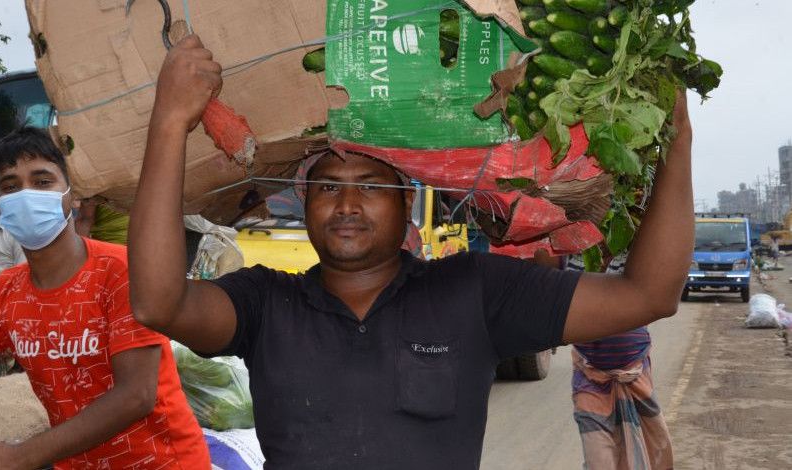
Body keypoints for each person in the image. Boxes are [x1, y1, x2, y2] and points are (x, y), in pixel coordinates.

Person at [128, 35, 693, 469]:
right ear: (304, 206)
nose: (347, 203)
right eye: (327, 188)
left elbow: (649, 294)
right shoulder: (265, 303)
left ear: (407, 205)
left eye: (371, 186)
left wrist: (679, 141)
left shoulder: (474, 291)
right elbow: (159, 304)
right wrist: (172, 119)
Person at [0, 128, 210, 469]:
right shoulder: (5, 291)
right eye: (10, 186)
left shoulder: (121, 270)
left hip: (164, 462)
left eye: (42, 180)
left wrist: (22, 455)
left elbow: (136, 395)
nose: (26, 195)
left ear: (71, 194)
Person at [566, 253, 673, 470]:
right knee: (599, 459)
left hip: (636, 372)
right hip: (590, 376)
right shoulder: (573, 250)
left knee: (657, 447)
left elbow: (661, 295)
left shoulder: (635, 251)